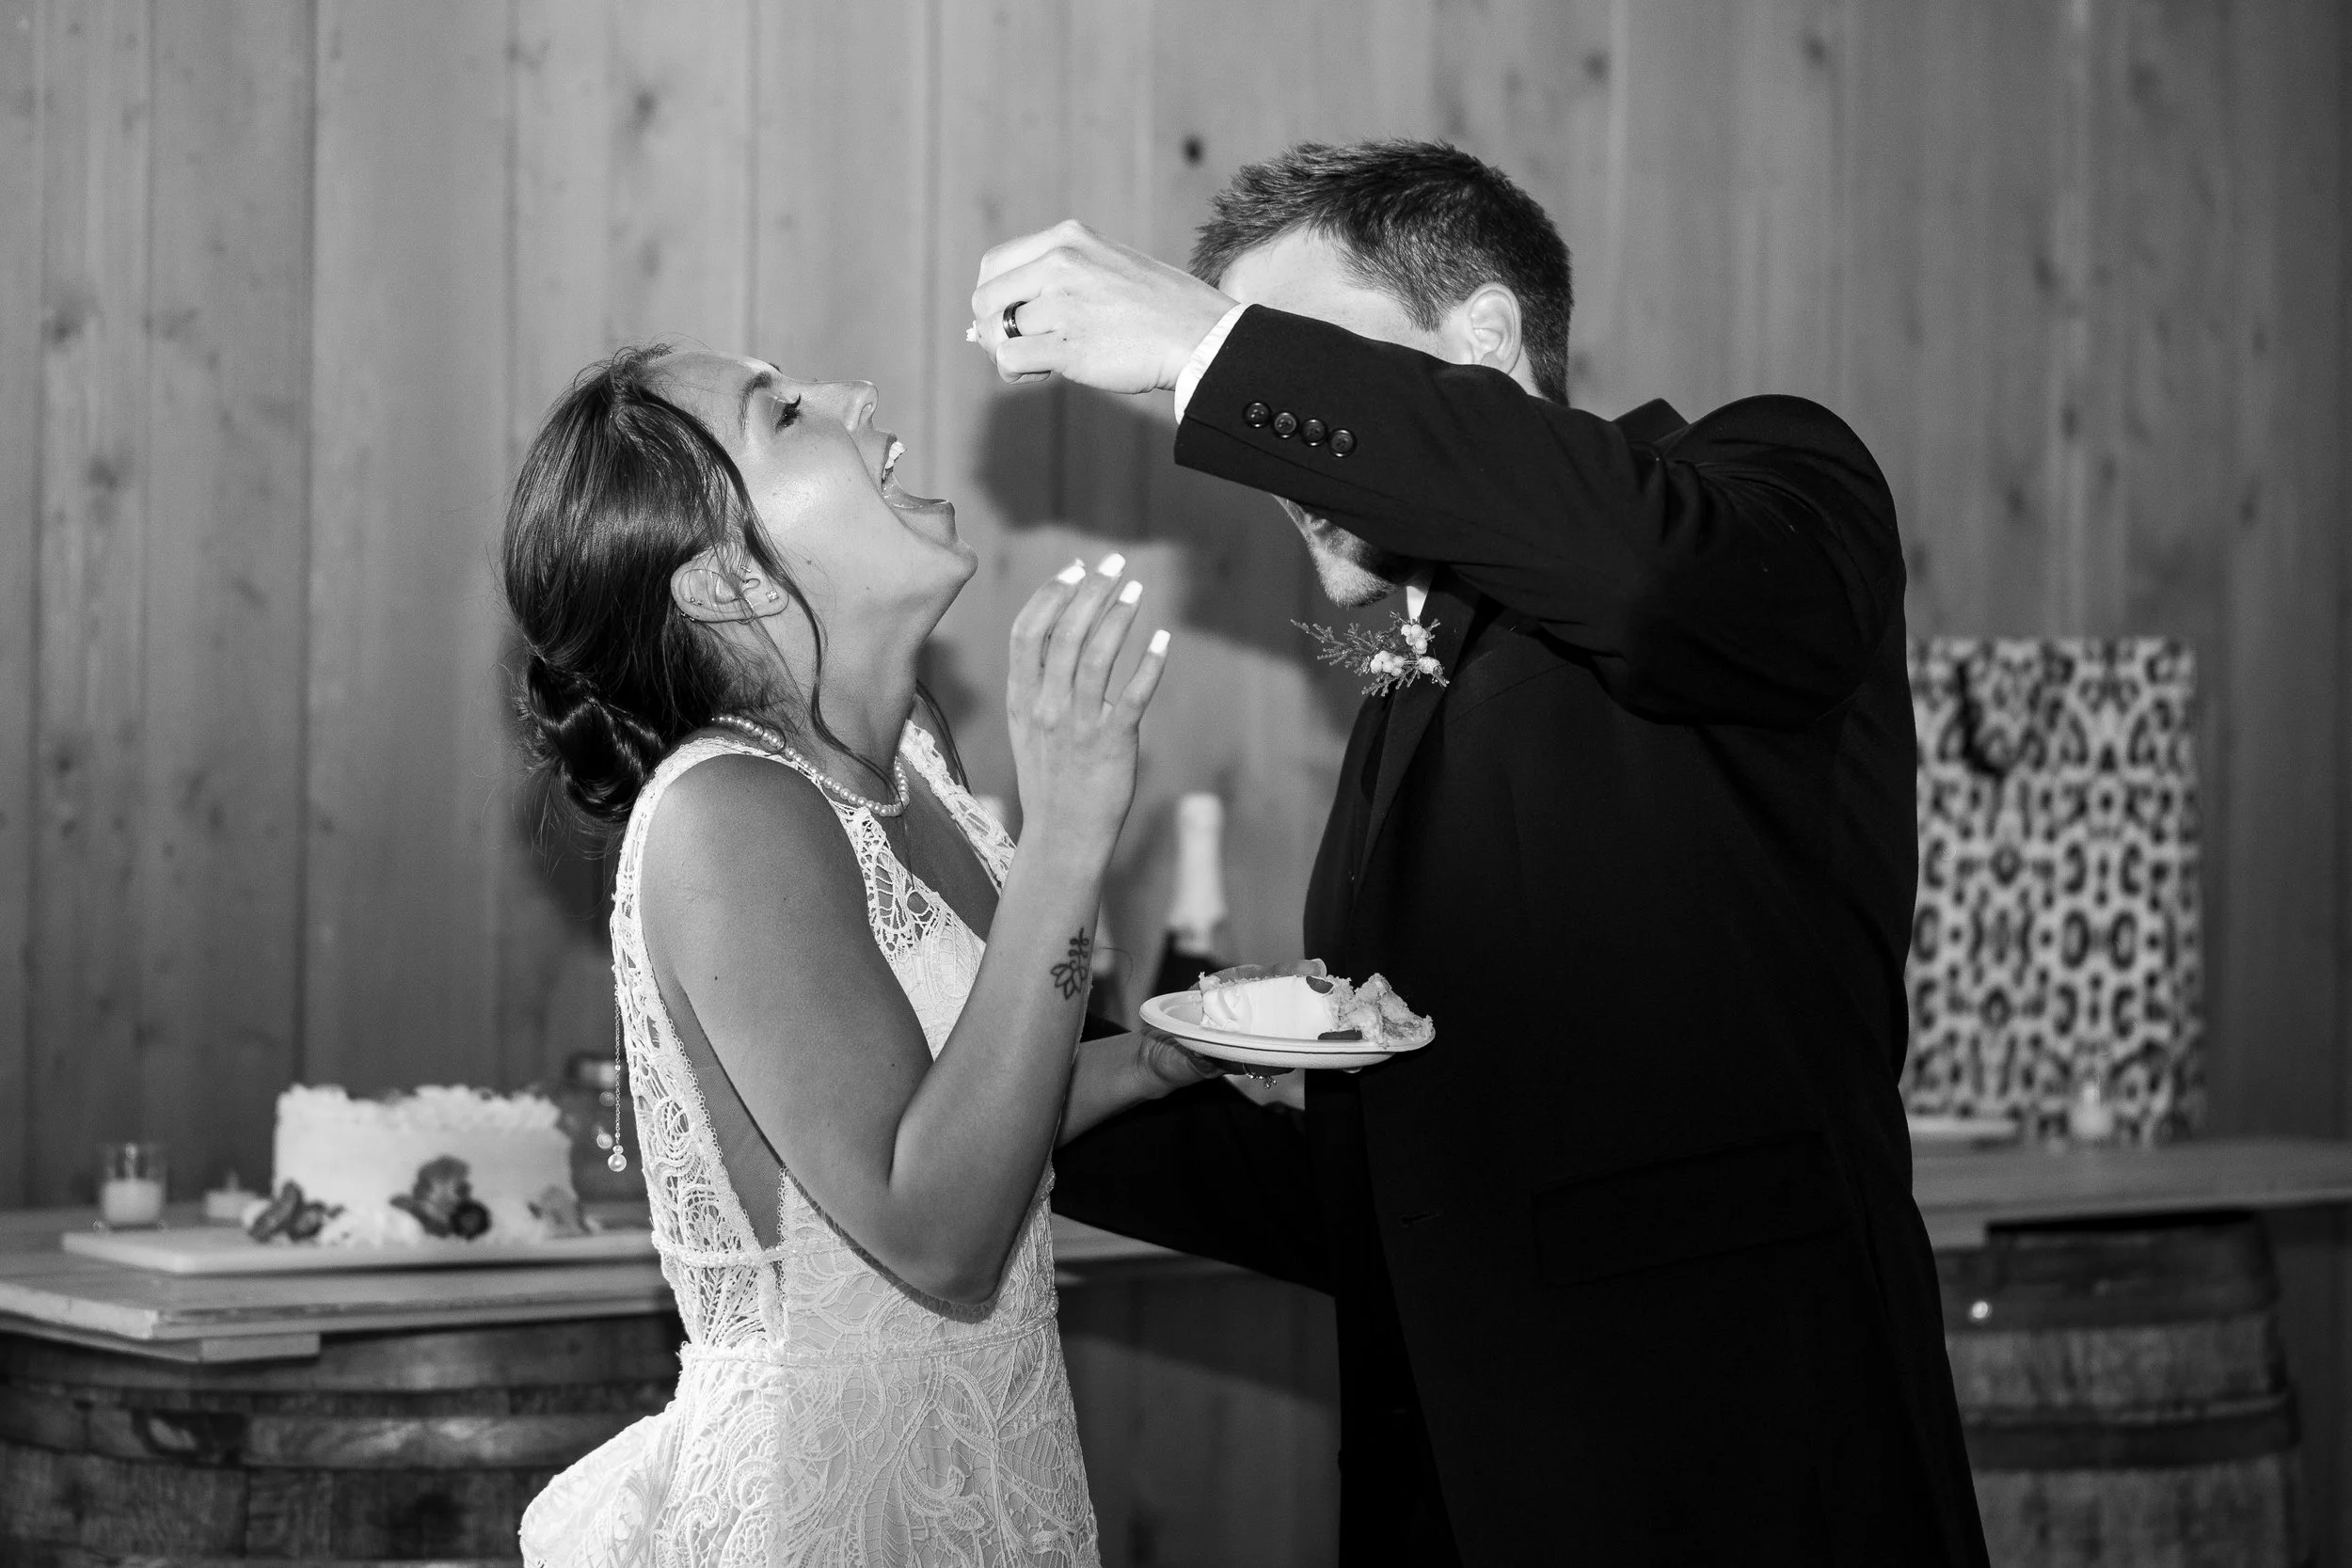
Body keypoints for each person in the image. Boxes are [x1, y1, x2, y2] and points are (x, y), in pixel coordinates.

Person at [987, 142, 1993, 1565]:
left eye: (1300, 352)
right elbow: (1408, 1186)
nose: (1274, 452)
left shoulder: (1765, 480)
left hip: (1744, 1478)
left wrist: (1213, 353)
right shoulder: (1411, 684)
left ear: (1488, 339)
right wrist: (1020, 1084)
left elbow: (1643, 577)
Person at [502, 344, 1207, 1566]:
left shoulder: (924, 752)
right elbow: (938, 1233)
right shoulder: (726, 814)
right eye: (784, 413)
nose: (857, 397)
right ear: (726, 581)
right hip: (820, 1507)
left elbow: (956, 1112)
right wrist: (1069, 842)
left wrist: (1142, 1063)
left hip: (994, 1457)